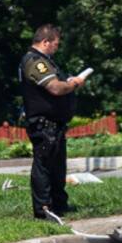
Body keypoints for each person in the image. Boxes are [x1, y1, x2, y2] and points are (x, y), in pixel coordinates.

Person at [19, 24, 86, 222]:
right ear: (45, 42)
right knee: (44, 166)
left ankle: (58, 204)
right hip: (43, 123)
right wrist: (74, 84)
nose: (57, 47)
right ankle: (43, 209)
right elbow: (55, 88)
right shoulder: (35, 61)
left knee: (57, 167)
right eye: (55, 44)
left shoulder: (46, 61)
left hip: (53, 124)